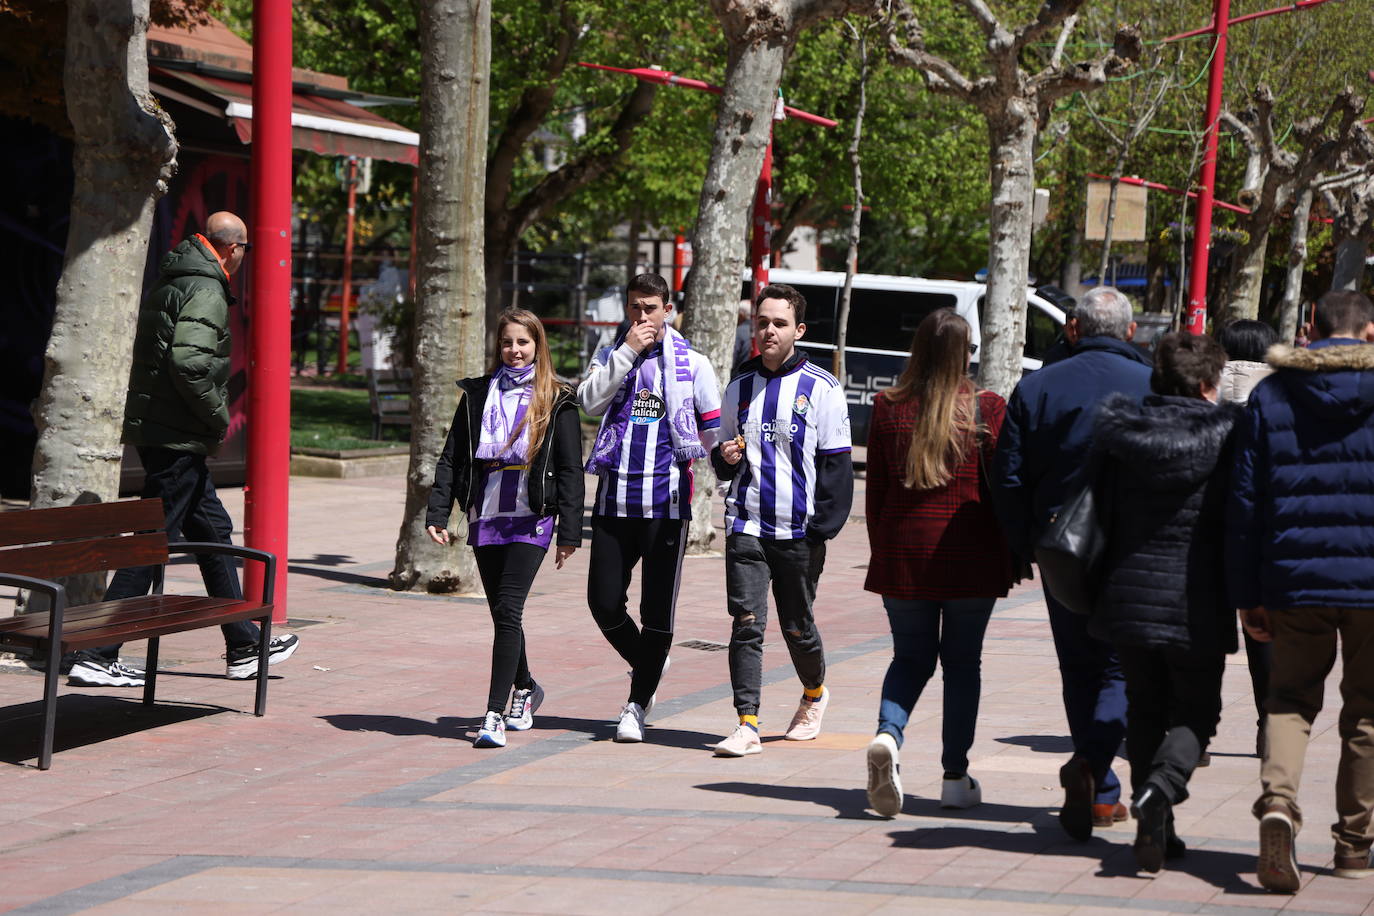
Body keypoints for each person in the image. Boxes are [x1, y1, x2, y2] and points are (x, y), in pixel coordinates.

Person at [68, 212, 299, 688]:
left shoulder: (175, 276)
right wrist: (217, 415)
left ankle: (242, 644)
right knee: (153, 542)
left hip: (166, 434)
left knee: (212, 531)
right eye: (246, 250)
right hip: (177, 436)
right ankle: (97, 652)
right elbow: (189, 361)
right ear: (232, 249)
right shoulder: (207, 288)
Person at [991, 285, 1151, 841]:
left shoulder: (1036, 387)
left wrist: (1021, 544)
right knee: (1123, 671)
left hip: (1061, 553)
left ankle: (1099, 785)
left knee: (1079, 668)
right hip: (1135, 552)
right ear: (1131, 333)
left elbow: (1006, 477)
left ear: (1074, 330)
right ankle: (1093, 774)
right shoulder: (1153, 385)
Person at [1227, 289, 1374, 892]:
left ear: (1309, 329)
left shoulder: (1271, 395)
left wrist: (1245, 593)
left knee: (1289, 698)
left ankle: (1280, 802)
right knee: (1366, 713)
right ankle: (1353, 847)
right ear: (1369, 334)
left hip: (1292, 577)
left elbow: (1244, 504)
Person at [1092, 333, 1242, 873]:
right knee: (1199, 711)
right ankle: (1162, 787)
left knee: (1145, 709)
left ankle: (1157, 829)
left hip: (1129, 592)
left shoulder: (1121, 435)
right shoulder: (1229, 436)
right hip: (1196, 598)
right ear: (1207, 385)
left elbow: (1101, 513)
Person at [861, 309, 1013, 815]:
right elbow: (1004, 490)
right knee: (962, 666)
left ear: (917, 350)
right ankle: (954, 776)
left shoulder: (887, 406)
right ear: (965, 352)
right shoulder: (987, 409)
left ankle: (889, 735)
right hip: (971, 558)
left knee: (909, 659)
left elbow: (876, 494)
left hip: (903, 556)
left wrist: (883, 548)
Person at [426, 309, 584, 748]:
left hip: (532, 514)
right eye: (508, 343)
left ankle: (493, 714)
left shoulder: (558, 398)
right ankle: (527, 687)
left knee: (509, 610)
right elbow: (452, 455)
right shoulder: (478, 394)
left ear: (538, 346)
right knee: (502, 614)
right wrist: (438, 512)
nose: (515, 351)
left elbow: (571, 469)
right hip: (487, 512)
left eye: (523, 343)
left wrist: (570, 531)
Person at [710, 283, 853, 757]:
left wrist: (821, 529)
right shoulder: (739, 386)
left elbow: (837, 469)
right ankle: (747, 723)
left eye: (779, 323)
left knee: (797, 626)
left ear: (799, 330)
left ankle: (814, 694)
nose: (768, 330)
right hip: (747, 525)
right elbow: (724, 457)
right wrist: (726, 457)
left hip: (799, 532)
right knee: (746, 622)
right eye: (762, 321)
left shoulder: (822, 388)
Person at [579, 272, 721, 743]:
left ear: (668, 310)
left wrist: (726, 469)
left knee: (657, 612)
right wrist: (628, 352)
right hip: (614, 501)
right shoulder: (610, 354)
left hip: (666, 504)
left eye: (651, 308)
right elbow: (590, 402)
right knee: (603, 603)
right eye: (635, 308)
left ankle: (636, 704)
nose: (642, 317)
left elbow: (712, 431)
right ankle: (650, 662)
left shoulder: (694, 364)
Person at [1217, 317, 1280, 758]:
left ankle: (1193, 728)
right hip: (1265, 531)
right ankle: (1269, 727)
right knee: (1264, 634)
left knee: (1204, 633)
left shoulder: (1201, 390)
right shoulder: (1285, 397)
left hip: (1205, 530)